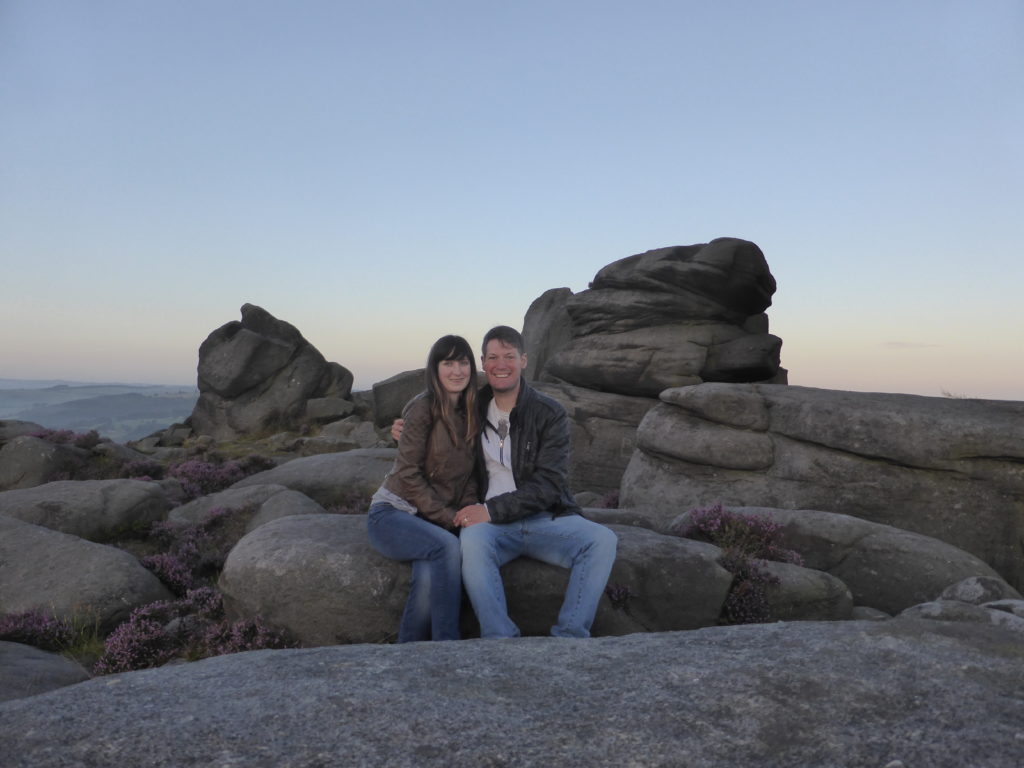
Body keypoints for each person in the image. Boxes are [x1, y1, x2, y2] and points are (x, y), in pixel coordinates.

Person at [453, 325, 618, 638]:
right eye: (493, 357)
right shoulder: (470, 409)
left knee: (603, 540)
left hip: (545, 519)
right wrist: (404, 425)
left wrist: (489, 511)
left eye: (509, 356)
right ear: (484, 364)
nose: (501, 364)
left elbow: (549, 485)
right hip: (492, 528)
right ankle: (501, 639)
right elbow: (430, 404)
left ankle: (569, 637)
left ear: (523, 360)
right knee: (471, 542)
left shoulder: (549, 412)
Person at [366, 335, 479, 642]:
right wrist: (449, 518)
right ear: (435, 369)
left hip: (428, 520)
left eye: (464, 362)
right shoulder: (423, 407)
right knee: (446, 547)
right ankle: (447, 647)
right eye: (448, 363)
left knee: (429, 580)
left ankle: (409, 658)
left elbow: (469, 477)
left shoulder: (470, 414)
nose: (457, 371)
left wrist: (467, 513)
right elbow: (407, 474)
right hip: (394, 512)